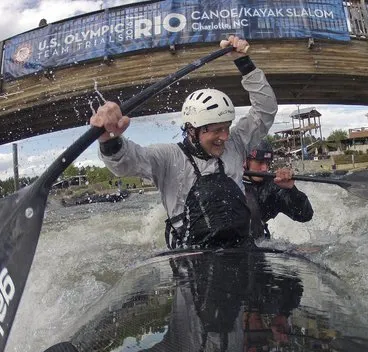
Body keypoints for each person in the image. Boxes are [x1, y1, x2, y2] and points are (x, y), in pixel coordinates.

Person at [91, 35, 278, 249]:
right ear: (192, 130)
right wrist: (109, 139)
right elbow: (126, 163)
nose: (225, 136)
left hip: (242, 249)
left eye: (227, 127)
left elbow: (265, 111)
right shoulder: (168, 157)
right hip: (192, 260)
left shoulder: (236, 143)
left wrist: (244, 63)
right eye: (216, 130)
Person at [243, 140, 313, 240]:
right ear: (245, 161)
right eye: (259, 162)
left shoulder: (272, 187)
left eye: (267, 163)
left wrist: (291, 190)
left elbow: (305, 215)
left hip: (258, 244)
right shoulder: (229, 184)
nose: (264, 168)